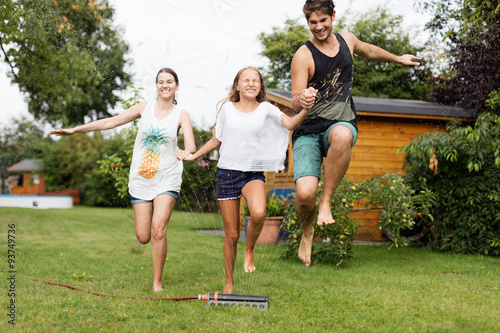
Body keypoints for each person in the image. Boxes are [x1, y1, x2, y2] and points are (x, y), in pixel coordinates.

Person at [290, 0, 421, 266]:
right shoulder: (303, 56)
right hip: (308, 130)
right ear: (308, 22)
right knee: (304, 195)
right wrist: (301, 99)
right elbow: (293, 99)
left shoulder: (347, 41)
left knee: (342, 135)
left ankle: (326, 202)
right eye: (312, 22)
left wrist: (397, 58)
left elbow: (370, 51)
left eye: (322, 20)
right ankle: (307, 230)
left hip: (340, 121)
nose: (318, 27)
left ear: (333, 16)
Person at [50, 68, 196, 292]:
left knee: (158, 229)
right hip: (141, 178)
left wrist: (187, 152)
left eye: (169, 81)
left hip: (167, 176)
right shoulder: (144, 108)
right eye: (161, 82)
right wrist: (75, 130)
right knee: (144, 236)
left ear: (177, 85)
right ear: (156, 86)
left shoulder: (181, 114)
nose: (165, 85)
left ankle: (157, 282)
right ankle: (153, 259)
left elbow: (191, 144)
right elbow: (111, 122)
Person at [176, 66, 313, 294]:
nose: (251, 83)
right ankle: (229, 283)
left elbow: (289, 124)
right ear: (237, 85)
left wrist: (306, 110)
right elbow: (216, 139)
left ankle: (249, 250)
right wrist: (194, 155)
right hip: (227, 173)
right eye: (245, 80)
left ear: (260, 86)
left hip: (252, 173)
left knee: (258, 212)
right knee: (230, 235)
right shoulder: (227, 109)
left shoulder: (266, 108)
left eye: (255, 80)